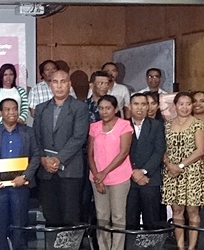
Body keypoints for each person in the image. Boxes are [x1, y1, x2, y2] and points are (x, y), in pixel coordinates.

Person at [33, 70, 90, 227]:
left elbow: (79, 137)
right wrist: (43, 159)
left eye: (63, 82)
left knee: (70, 216)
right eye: (55, 82)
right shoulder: (41, 108)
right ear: (50, 85)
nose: (59, 86)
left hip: (70, 170)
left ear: (69, 84)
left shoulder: (80, 107)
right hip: (46, 171)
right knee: (50, 215)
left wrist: (58, 159)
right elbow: (36, 137)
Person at [0, 98, 39, 250]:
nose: (11, 112)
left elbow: (36, 155)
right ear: (0, 113)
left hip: (21, 187)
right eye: (7, 109)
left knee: (20, 226)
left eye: (14, 109)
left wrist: (26, 176)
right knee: (0, 227)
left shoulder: (28, 132)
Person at [162, 92, 204, 249]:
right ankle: (180, 245)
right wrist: (169, 165)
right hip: (171, 172)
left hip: (192, 171)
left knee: (193, 210)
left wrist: (180, 165)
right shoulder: (167, 124)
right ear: (175, 106)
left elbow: (200, 150)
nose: (185, 107)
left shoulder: (197, 124)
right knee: (177, 210)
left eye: (188, 104)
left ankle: (192, 246)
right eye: (181, 104)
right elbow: (163, 149)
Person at [87, 95, 134, 250]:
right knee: (101, 217)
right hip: (97, 178)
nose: (104, 111)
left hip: (119, 178)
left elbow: (123, 152)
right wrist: (97, 177)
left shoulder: (124, 125)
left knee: (118, 216)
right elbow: (90, 154)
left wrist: (103, 173)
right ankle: (103, 247)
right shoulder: (94, 127)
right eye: (101, 108)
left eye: (108, 108)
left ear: (115, 109)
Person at [125, 93, 166, 230]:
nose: (140, 108)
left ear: (148, 107)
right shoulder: (123, 125)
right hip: (127, 179)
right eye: (136, 104)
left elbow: (158, 151)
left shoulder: (156, 125)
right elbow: (120, 153)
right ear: (130, 106)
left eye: (143, 104)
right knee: (130, 221)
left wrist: (143, 172)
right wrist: (132, 172)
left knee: (152, 220)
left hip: (150, 178)